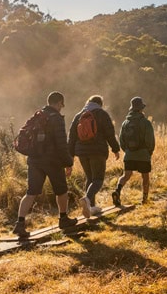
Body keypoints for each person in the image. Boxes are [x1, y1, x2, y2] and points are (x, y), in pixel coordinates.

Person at [12, 91, 77, 238]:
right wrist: (68, 162)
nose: (62, 107)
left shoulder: (38, 115)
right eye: (62, 104)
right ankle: (63, 218)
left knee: (31, 192)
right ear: (59, 102)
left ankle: (19, 223)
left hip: (34, 160)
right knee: (61, 190)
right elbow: (61, 144)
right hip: (52, 161)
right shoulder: (56, 119)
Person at [68, 95, 120, 218]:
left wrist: (70, 156)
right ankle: (87, 200)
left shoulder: (78, 115)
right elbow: (110, 133)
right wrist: (116, 149)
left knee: (90, 178)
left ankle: (91, 207)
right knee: (98, 179)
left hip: (81, 152)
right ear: (100, 104)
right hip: (97, 151)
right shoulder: (102, 114)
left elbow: (71, 138)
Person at [112, 96, 155, 206]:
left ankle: (117, 191)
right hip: (143, 154)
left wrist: (127, 151)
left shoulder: (125, 123)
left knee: (126, 175)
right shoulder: (146, 123)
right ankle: (144, 200)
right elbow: (150, 140)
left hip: (129, 155)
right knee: (145, 177)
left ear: (131, 109)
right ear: (141, 109)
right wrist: (149, 152)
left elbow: (121, 140)